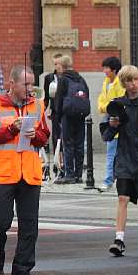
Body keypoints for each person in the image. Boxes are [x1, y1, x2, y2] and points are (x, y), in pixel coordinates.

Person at [0, 65, 50, 275]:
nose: (30, 89)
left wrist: (35, 135)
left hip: (29, 173)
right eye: (26, 84)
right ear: (12, 84)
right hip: (3, 173)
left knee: (29, 226)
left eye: (32, 84)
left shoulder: (37, 105)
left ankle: (23, 273)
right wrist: (11, 130)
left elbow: (44, 136)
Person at [100, 64, 138, 257]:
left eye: (136, 79)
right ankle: (119, 239)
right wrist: (112, 125)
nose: (133, 84)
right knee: (122, 198)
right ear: (123, 83)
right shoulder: (118, 105)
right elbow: (107, 135)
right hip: (126, 157)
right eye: (129, 81)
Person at [53, 54, 89, 184]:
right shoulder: (80, 79)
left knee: (68, 144)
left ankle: (70, 174)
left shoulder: (63, 79)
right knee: (79, 145)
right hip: (80, 115)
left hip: (67, 116)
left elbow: (58, 99)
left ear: (62, 66)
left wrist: (58, 115)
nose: (56, 67)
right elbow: (87, 94)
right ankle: (79, 174)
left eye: (57, 65)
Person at [97, 56, 125, 192]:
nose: (104, 71)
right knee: (111, 154)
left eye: (106, 68)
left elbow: (118, 102)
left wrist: (107, 106)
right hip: (109, 121)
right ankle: (110, 179)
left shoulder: (119, 83)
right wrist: (106, 107)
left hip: (117, 122)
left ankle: (110, 180)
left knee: (113, 154)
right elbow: (101, 101)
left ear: (114, 69)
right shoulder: (106, 82)